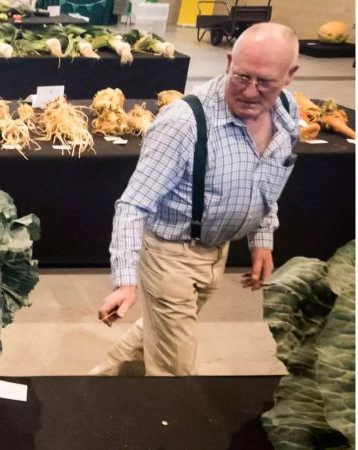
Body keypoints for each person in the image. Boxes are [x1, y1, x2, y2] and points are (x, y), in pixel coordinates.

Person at [93, 23, 301, 376]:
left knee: (160, 331)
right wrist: (126, 281)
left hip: (216, 253)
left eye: (264, 81)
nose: (250, 91)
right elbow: (132, 204)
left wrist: (262, 240)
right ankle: (167, 425)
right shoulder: (184, 121)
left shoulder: (286, 111)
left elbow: (268, 179)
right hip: (170, 256)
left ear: (289, 75)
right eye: (242, 76)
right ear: (229, 61)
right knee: (175, 371)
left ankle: (97, 386)